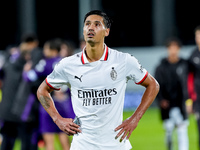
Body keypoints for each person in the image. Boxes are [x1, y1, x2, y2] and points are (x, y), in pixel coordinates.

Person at [37, 10, 159, 150]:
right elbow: (42, 90)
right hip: (82, 145)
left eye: (97, 24)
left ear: (107, 31)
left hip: (116, 144)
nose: (90, 27)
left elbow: (153, 85)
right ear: (83, 31)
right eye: (87, 24)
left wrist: (134, 119)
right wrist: (57, 119)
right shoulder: (68, 65)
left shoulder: (123, 61)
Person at [23, 38, 75, 150]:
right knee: (65, 143)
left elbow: (29, 77)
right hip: (66, 103)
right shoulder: (66, 62)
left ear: (52, 50)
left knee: (49, 144)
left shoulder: (45, 62)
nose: (44, 51)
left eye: (46, 48)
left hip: (51, 105)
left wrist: (26, 71)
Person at [0, 33, 41, 150]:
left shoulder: (9, 61)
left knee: (7, 142)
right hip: (20, 111)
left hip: (7, 109)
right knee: (27, 143)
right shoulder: (26, 68)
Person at [155, 37, 189, 150]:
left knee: (182, 130)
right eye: (171, 48)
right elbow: (155, 85)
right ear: (167, 49)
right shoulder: (161, 67)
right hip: (167, 105)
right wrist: (161, 100)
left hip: (181, 103)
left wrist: (189, 100)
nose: (173, 50)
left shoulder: (185, 65)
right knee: (169, 131)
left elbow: (189, 83)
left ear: (179, 49)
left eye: (175, 48)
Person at [188, 25, 200, 149]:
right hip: (198, 100)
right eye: (197, 36)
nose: (199, 38)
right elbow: (189, 79)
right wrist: (190, 99)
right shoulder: (193, 56)